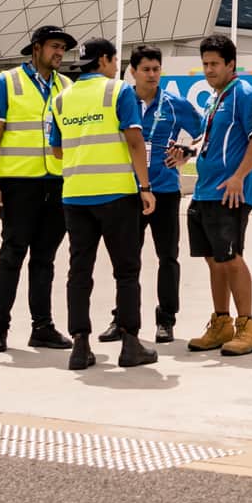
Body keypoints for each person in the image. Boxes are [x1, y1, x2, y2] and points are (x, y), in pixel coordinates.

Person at [50, 36, 157, 369]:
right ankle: (130, 343)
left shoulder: (63, 98)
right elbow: (135, 141)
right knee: (126, 270)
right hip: (116, 194)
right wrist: (145, 186)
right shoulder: (119, 91)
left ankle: (80, 346)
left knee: (78, 271)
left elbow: (56, 148)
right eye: (114, 61)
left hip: (75, 195)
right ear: (107, 60)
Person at [169, 32, 252, 357]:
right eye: (205, 64)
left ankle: (248, 327)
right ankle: (221, 323)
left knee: (232, 259)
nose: (209, 70)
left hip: (229, 193)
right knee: (214, 261)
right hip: (204, 192)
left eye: (214, 64)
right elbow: (208, 139)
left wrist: (240, 177)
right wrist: (188, 151)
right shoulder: (216, 97)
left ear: (231, 64)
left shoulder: (244, 94)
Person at [0, 24, 77, 354]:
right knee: (12, 254)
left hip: (56, 182)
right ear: (36, 47)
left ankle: (43, 328)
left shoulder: (66, 86)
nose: (59, 53)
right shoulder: (6, 82)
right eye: (54, 46)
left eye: (63, 48)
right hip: (18, 184)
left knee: (45, 259)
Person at [98, 45, 203, 346]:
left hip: (165, 191)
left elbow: (201, 132)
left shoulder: (174, 104)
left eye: (156, 69)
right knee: (126, 260)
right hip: (127, 190)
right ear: (132, 71)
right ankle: (122, 319)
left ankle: (166, 321)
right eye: (146, 69)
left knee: (167, 257)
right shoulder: (120, 101)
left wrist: (186, 151)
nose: (153, 74)